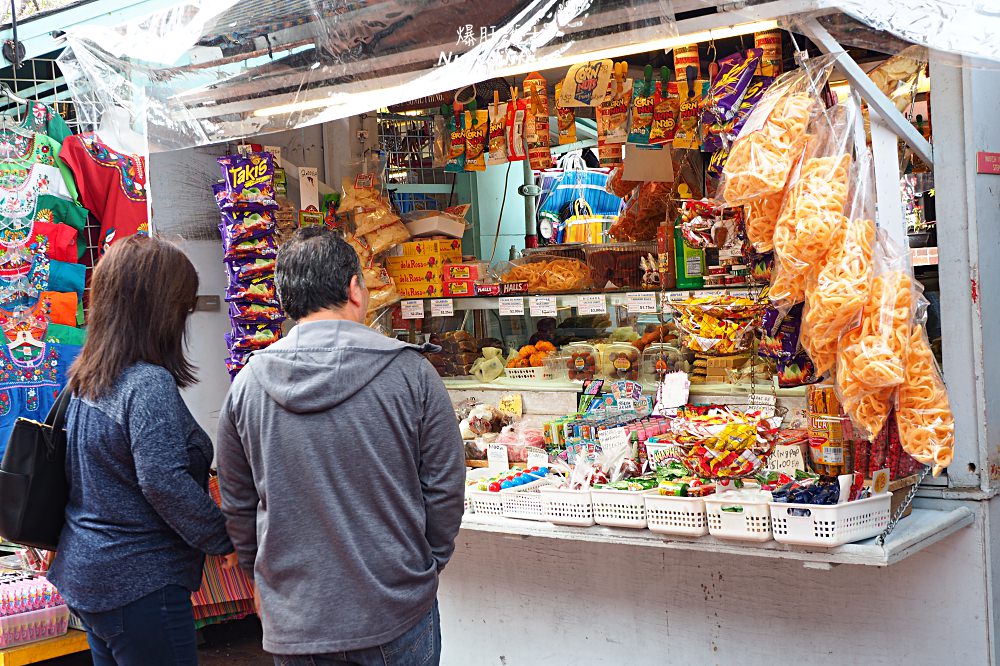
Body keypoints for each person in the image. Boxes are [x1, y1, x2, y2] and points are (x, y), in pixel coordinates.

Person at [216, 227, 465, 665]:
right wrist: (424, 568)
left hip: (296, 618)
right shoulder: (412, 374)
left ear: (284, 301)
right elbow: (445, 488)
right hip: (396, 608)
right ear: (355, 288)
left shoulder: (247, 386)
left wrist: (260, 580)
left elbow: (238, 502)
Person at [48, 236, 236, 666]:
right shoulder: (147, 384)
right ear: (160, 311)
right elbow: (162, 480)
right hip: (140, 583)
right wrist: (225, 538)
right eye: (183, 308)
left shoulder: (88, 376)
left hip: (92, 574)